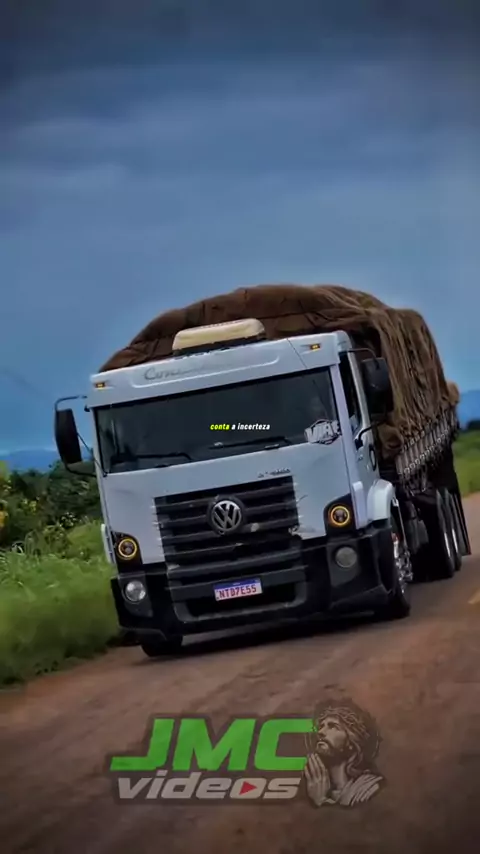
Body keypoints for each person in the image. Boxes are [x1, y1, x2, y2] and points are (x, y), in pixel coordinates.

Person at [304, 701, 384, 807]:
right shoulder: (311, 785)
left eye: (332, 726)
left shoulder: (367, 787)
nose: (320, 732)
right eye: (321, 726)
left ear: (351, 741)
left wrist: (320, 801)